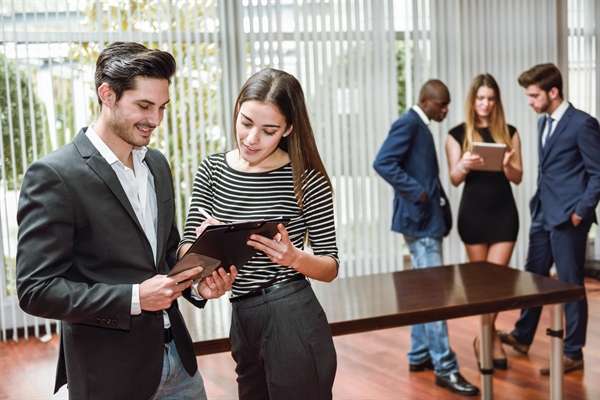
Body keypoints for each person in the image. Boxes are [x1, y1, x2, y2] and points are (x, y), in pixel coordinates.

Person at [15, 42, 237, 400]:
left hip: (180, 363)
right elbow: (35, 290)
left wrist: (197, 284)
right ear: (107, 95)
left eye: (162, 107)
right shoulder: (55, 175)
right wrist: (135, 298)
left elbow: (165, 255)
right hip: (110, 375)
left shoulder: (157, 165)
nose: (156, 120)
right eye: (144, 106)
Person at [179, 68, 339, 399]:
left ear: (289, 129)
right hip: (241, 316)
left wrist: (295, 258)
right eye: (246, 122)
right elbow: (184, 249)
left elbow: (330, 266)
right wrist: (203, 253)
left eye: (268, 131)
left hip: (290, 312)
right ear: (237, 110)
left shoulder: (306, 180)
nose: (252, 139)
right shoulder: (212, 170)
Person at [373, 79, 479, 396]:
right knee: (436, 296)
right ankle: (445, 367)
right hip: (419, 221)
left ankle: (419, 355)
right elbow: (382, 162)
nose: (446, 109)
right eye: (441, 104)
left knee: (424, 291)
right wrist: (418, 193)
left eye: (447, 104)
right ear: (425, 100)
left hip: (424, 219)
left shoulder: (420, 124)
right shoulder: (408, 124)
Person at [497, 63, 600, 375]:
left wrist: (580, 212)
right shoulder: (544, 123)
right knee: (534, 277)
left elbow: (597, 174)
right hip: (543, 212)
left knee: (570, 284)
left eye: (533, 95)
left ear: (552, 92)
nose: (529, 101)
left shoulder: (583, 124)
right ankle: (522, 335)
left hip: (569, 218)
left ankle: (573, 352)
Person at [445, 73, 523, 370]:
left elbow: (518, 177)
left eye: (490, 99)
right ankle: (492, 339)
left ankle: (483, 337)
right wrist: (463, 165)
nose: (485, 104)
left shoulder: (510, 132)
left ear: (496, 101)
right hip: (473, 216)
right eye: (480, 98)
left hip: (505, 214)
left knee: (500, 284)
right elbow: (453, 180)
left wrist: (506, 166)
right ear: (473, 100)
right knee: (483, 286)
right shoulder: (456, 134)